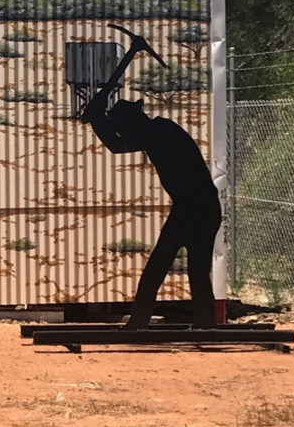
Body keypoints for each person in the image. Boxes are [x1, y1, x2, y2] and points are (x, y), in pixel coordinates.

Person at [82, 92, 222, 329]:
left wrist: (97, 118)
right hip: (197, 208)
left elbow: (117, 144)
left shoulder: (158, 132)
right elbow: (119, 142)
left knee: (161, 268)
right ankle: (204, 323)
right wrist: (99, 119)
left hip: (194, 210)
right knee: (191, 271)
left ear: (132, 122)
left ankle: (142, 322)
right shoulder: (156, 131)